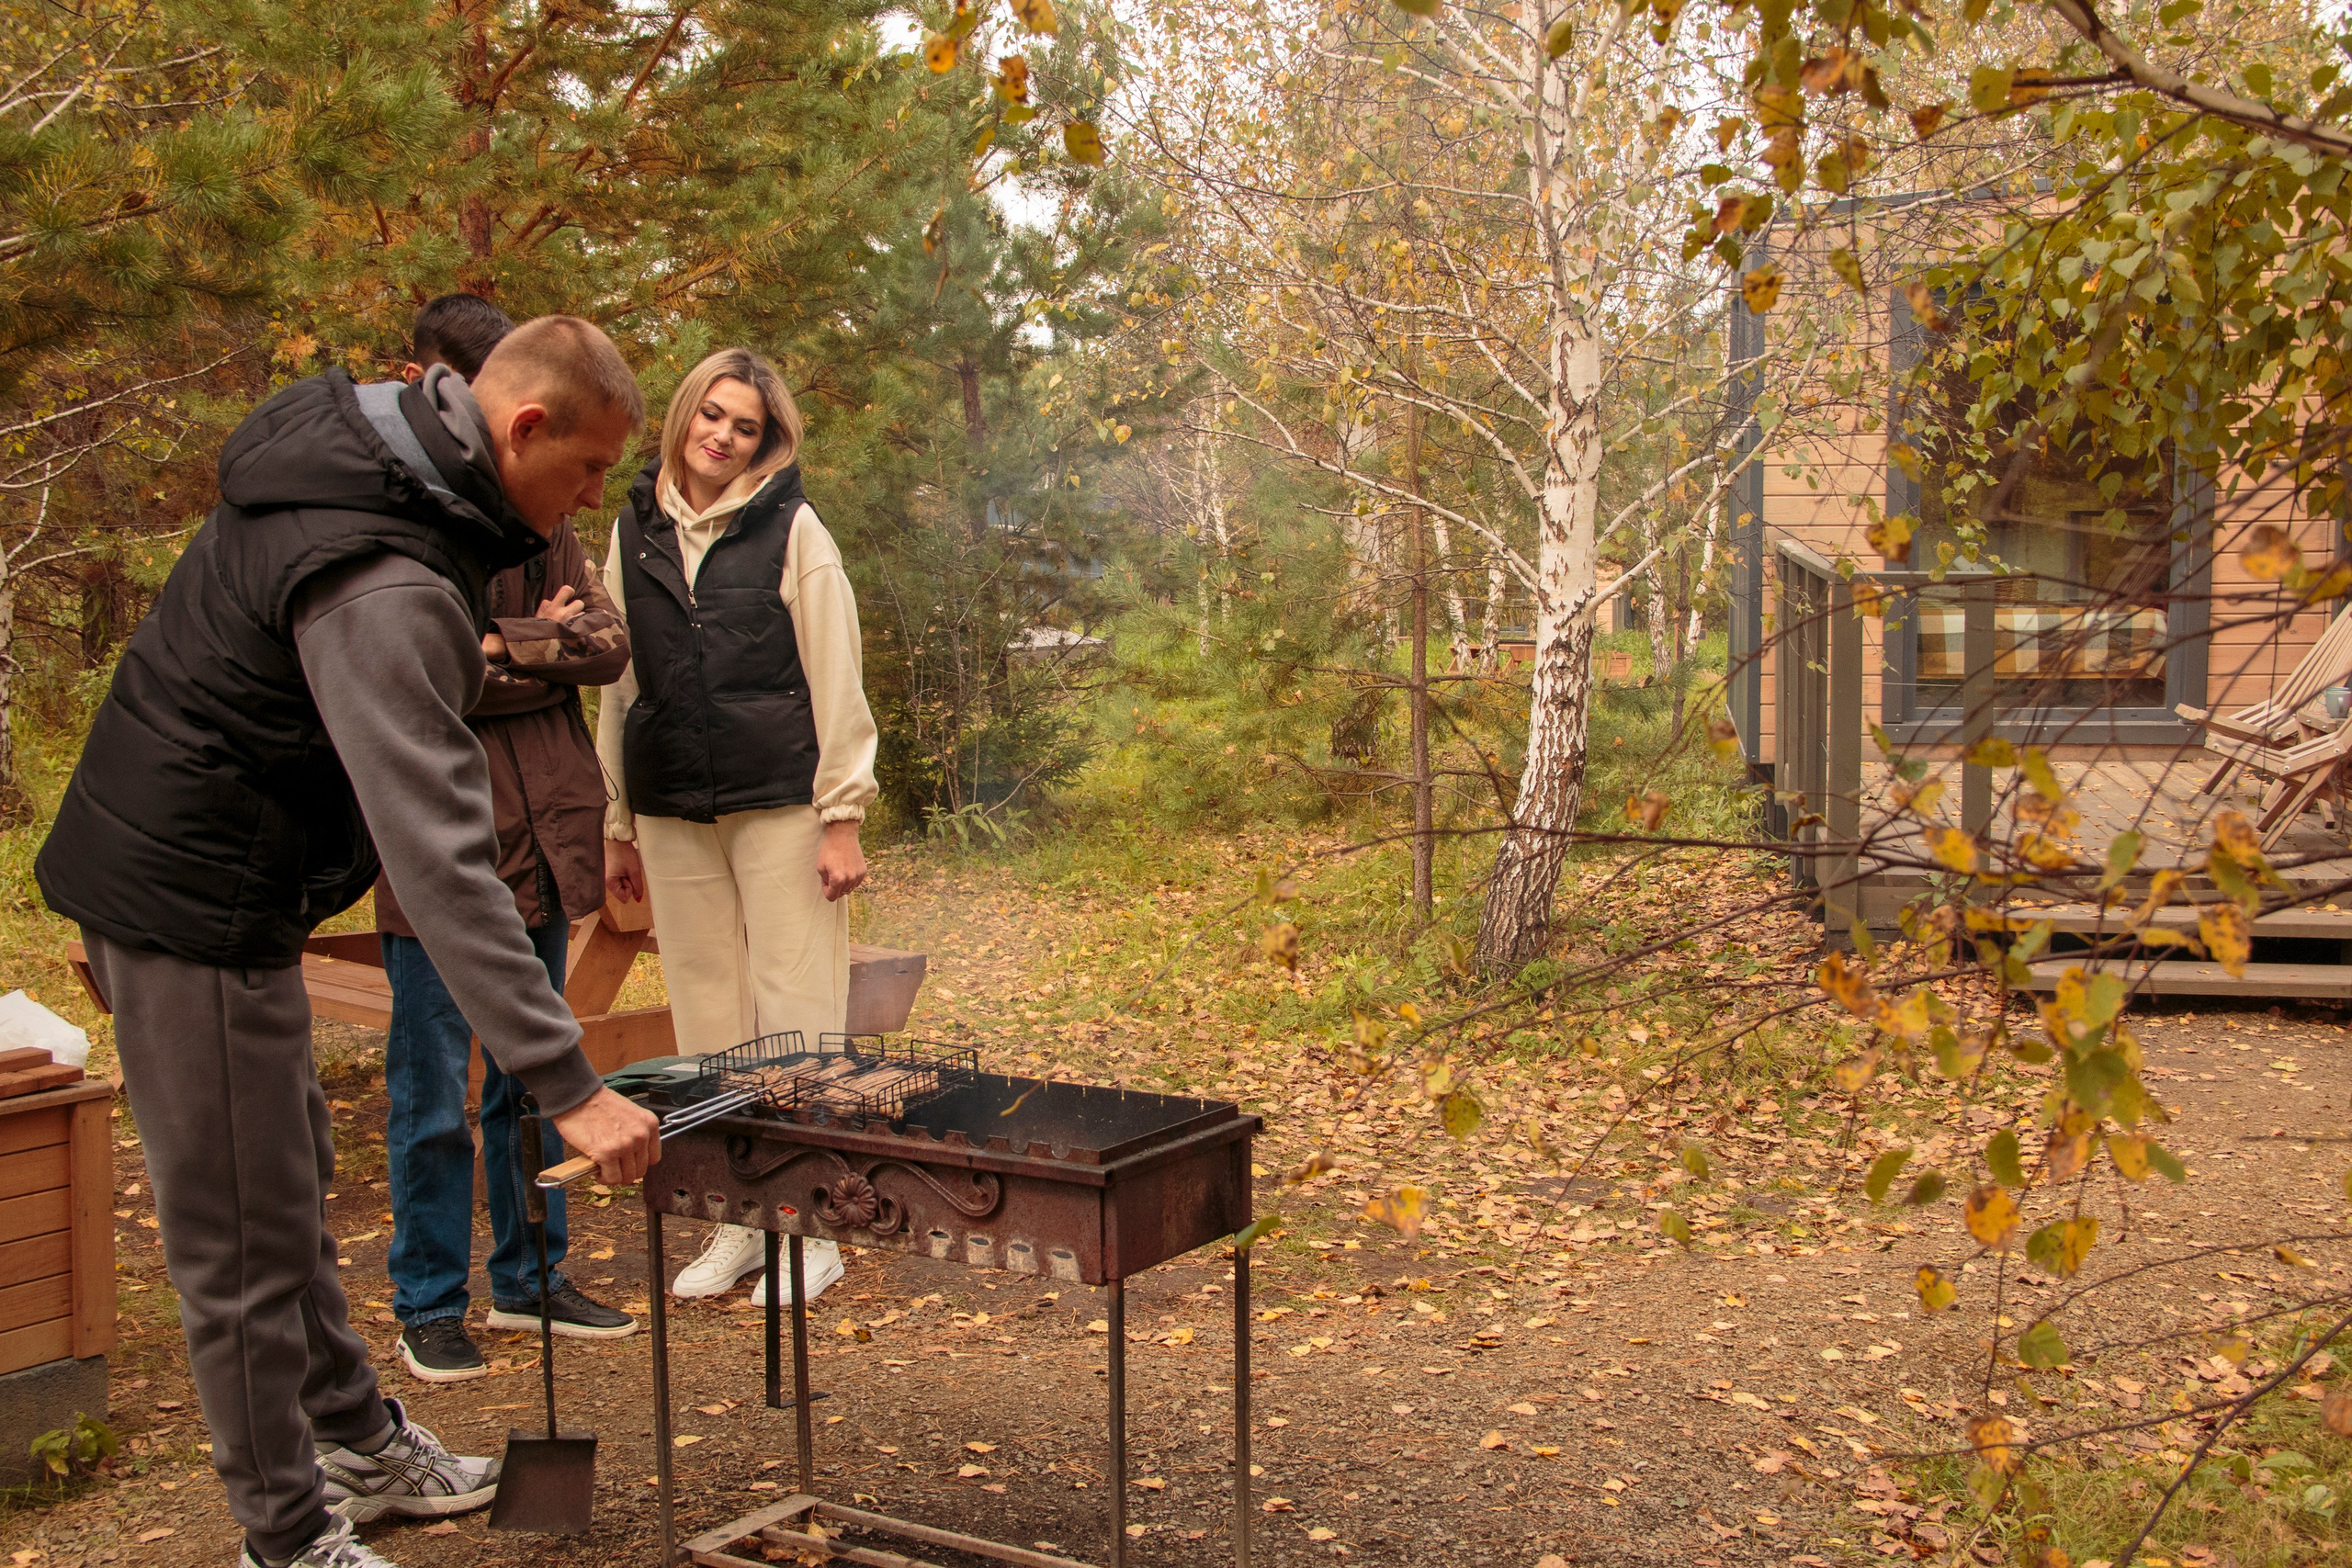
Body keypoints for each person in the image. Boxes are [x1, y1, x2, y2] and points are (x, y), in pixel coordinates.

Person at [36, 316, 663, 1568]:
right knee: (238, 1236)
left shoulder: (387, 466)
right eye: (588, 469)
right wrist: (569, 1082)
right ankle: (289, 1532)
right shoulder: (383, 568)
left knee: (284, 1187)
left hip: (225, 877)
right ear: (522, 426)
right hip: (189, 894)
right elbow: (441, 857)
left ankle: (356, 1441)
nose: (594, 499)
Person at [376, 297, 637, 1383]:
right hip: (443, 848)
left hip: (547, 831)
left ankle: (531, 1275)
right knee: (431, 1091)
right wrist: (536, 643)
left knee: (531, 1076)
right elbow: (408, 684)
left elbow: (610, 644)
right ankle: (429, 1298)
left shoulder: (549, 513)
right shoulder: (399, 517)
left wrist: (501, 645)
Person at [594, 346, 876, 1307]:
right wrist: (616, 821)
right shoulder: (631, 532)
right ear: (682, 417)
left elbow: (837, 676)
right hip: (672, 809)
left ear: (768, 440)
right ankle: (738, 1223)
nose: (720, 436)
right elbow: (617, 684)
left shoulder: (795, 531)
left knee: (798, 1018)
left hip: (781, 804)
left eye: (743, 426)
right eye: (710, 415)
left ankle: (817, 1227)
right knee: (709, 1027)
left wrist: (842, 816)